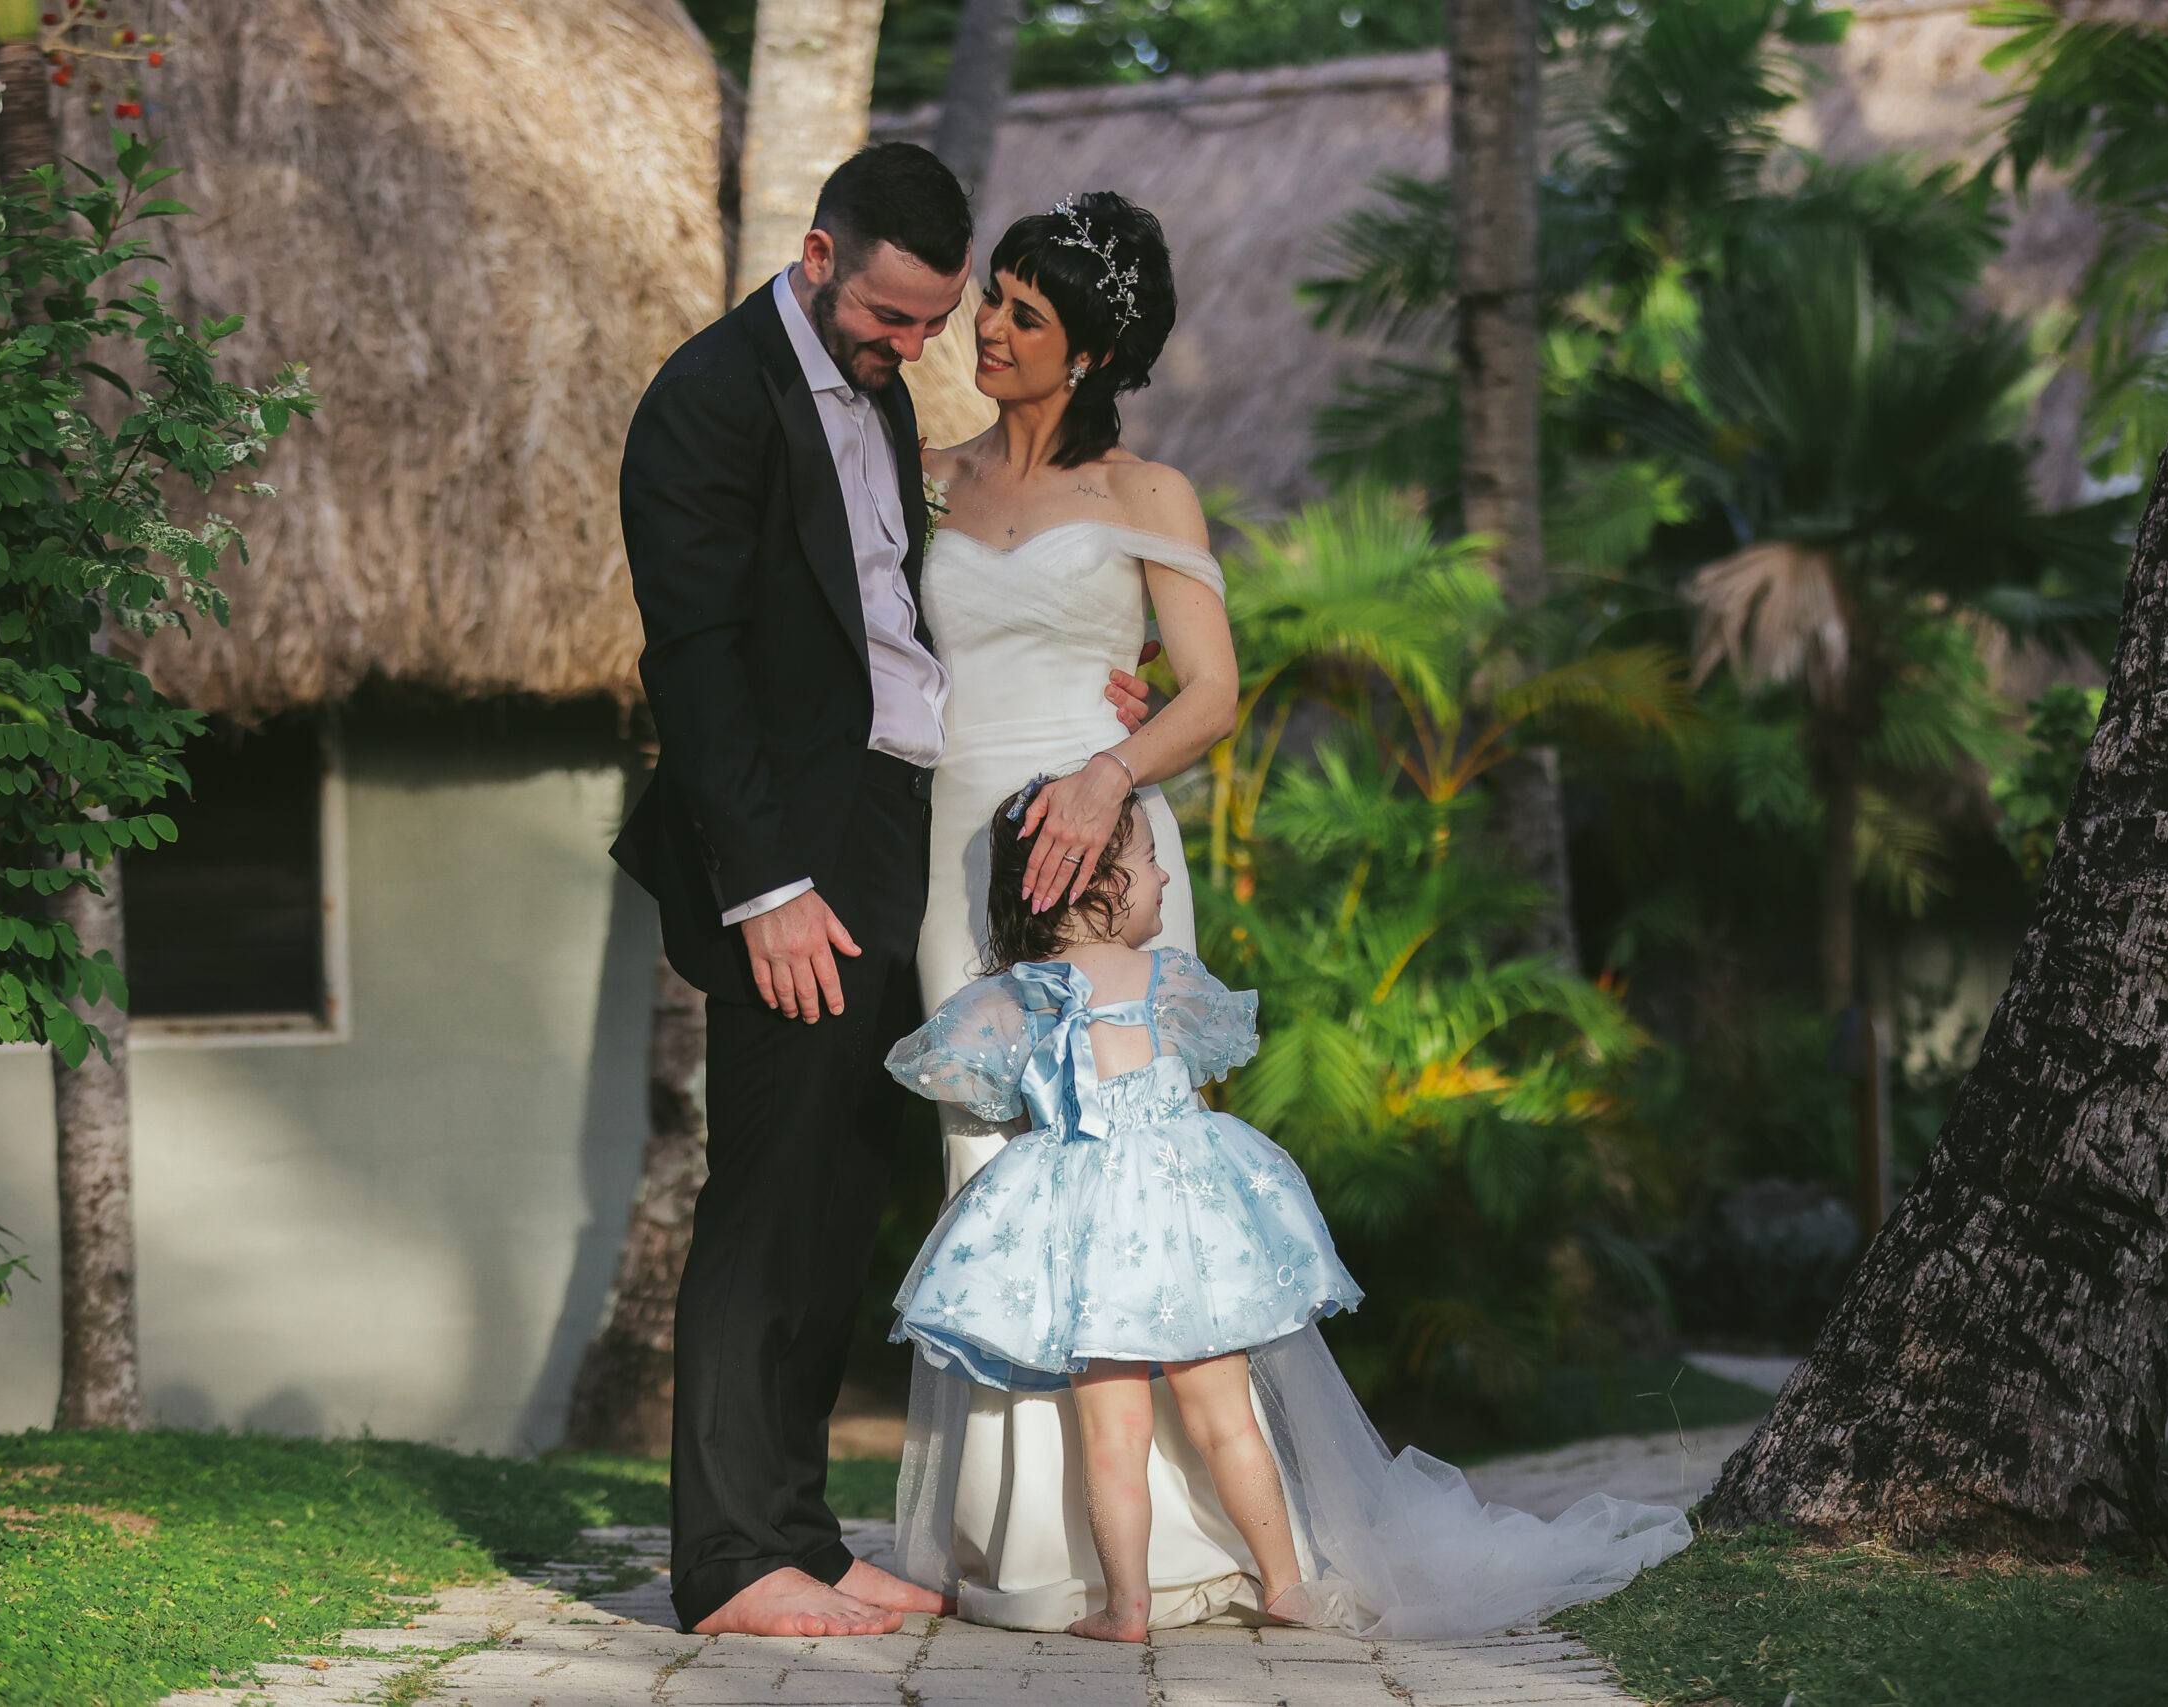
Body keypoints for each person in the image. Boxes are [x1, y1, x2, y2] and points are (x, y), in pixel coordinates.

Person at [610, 143, 1160, 1640]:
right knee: (768, 1178)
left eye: (931, 322)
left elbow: (907, 608)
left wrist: (1102, 669)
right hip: (784, 844)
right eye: (893, 317)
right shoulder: (710, 398)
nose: (918, 347)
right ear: (816, 254)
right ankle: (728, 1562)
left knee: (846, 1174)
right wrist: (766, 885)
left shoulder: (878, 388)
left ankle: (796, 1524)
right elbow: (697, 663)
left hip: (888, 819)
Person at [885, 783, 1698, 1640]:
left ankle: (1125, 1607)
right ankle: (1285, 1582)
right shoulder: (1169, 978)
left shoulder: (1017, 997)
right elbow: (1205, 1053)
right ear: (1099, 882)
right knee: (1228, 1422)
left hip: (1086, 1247)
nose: (1164, 878)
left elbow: (954, 1066)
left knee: (1112, 1435)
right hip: (1186, 1226)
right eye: (1151, 860)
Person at [901, 191, 1262, 1628]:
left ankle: (1176, 1535)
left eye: (1022, 313)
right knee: (987, 1163)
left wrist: (1113, 767)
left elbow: (1215, 693)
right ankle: (1025, 1540)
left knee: (1131, 1173)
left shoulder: (1148, 498)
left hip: (1102, 852)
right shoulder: (918, 476)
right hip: (954, 850)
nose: (986, 325)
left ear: (1092, 351)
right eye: (989, 297)